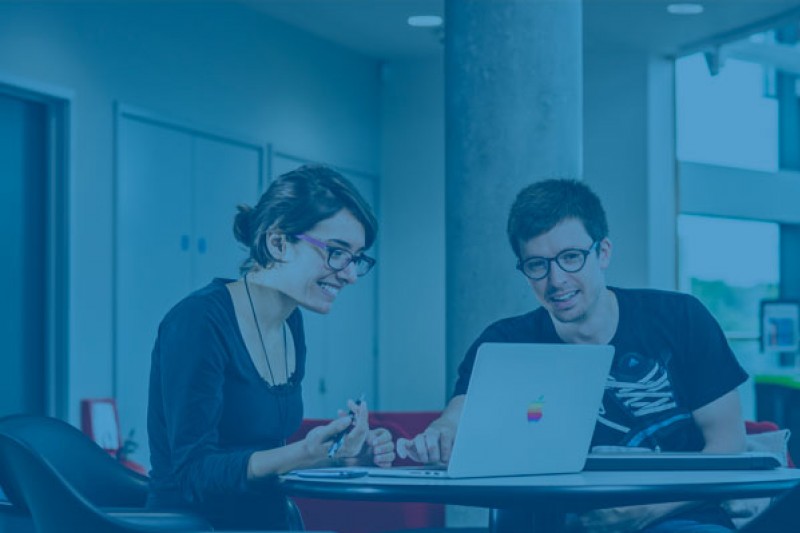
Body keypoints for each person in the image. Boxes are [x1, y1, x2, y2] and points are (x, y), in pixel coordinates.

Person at [398, 179, 747, 533]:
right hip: (551, 521)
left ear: (603, 252)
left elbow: (728, 443)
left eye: (570, 258)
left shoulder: (681, 317)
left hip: (677, 516)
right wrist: (440, 432)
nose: (556, 280)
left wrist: (643, 511)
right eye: (537, 264)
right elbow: (456, 418)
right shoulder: (506, 342)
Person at [146, 165, 395, 530]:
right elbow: (193, 473)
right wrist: (302, 453)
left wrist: (341, 457)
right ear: (278, 243)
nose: (350, 274)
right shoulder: (198, 321)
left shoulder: (290, 321)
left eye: (357, 258)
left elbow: (262, 456)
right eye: (337, 252)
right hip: (196, 524)